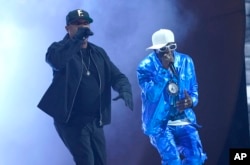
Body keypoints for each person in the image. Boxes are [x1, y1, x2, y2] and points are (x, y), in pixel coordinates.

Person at [37, 9, 133, 165]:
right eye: (77, 24)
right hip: (72, 121)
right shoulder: (57, 49)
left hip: (95, 121)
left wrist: (124, 89)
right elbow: (56, 61)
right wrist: (76, 41)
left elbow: (117, 76)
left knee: (100, 162)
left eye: (86, 23)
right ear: (68, 28)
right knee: (86, 161)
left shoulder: (98, 53)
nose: (83, 27)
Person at [137, 29, 207, 165]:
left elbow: (194, 90)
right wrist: (163, 70)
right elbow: (151, 95)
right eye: (163, 49)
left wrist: (191, 101)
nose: (168, 52)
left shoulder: (186, 61)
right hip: (160, 123)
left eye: (172, 47)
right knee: (173, 160)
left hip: (184, 119)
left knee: (196, 158)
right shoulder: (145, 67)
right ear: (156, 50)